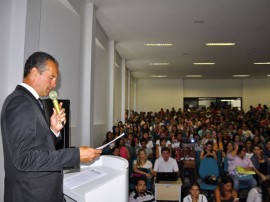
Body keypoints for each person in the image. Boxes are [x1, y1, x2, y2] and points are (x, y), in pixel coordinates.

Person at [0, 52, 102, 202]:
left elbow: (37, 147)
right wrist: (76, 155)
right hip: (30, 196)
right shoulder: (20, 102)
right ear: (34, 73)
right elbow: (24, 158)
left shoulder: (31, 102)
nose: (55, 85)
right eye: (52, 77)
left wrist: (53, 130)